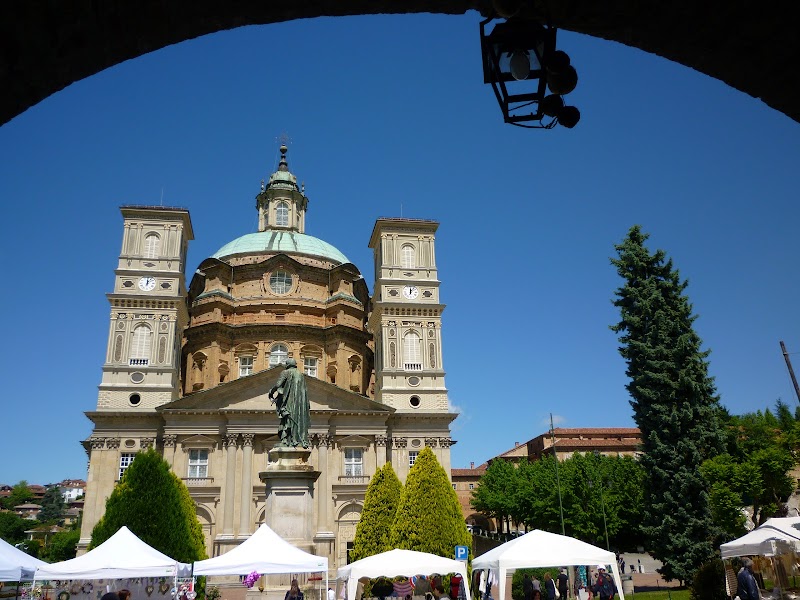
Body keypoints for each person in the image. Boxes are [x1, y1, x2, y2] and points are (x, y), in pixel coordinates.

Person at [269, 358, 310, 448]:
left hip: (289, 401)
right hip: (300, 403)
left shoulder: (285, 372)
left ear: (287, 365)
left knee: (287, 418)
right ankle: (296, 439)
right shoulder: (301, 375)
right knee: (297, 420)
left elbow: (278, 384)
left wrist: (271, 392)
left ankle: (286, 440)